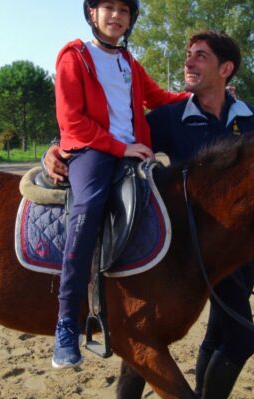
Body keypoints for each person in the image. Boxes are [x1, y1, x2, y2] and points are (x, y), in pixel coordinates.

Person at [46, 30, 254, 399]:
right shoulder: (170, 118)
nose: (189, 62)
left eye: (200, 56)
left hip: (238, 253)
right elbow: (112, 131)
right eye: (189, 55)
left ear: (225, 69)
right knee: (194, 335)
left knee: (231, 336)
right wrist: (58, 147)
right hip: (183, 255)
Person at [50, 0, 189, 369]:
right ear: (92, 13)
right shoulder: (74, 57)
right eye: (108, 7)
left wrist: (199, 95)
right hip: (92, 151)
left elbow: (158, 98)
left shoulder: (129, 63)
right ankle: (66, 323)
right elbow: (72, 122)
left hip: (134, 153)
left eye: (124, 11)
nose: (116, 16)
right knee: (87, 210)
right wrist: (119, 146)